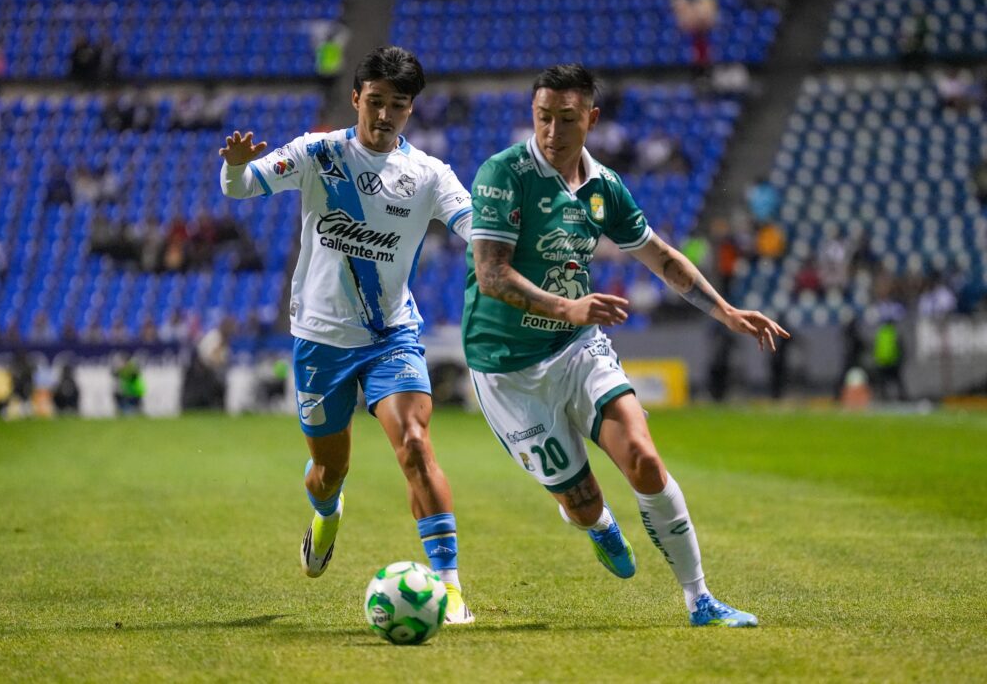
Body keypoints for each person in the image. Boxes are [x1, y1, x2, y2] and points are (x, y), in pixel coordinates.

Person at [462, 64, 789, 627]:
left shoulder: (604, 187)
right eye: (542, 118)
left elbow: (661, 256)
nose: (552, 133)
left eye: (567, 120)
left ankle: (700, 599)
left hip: (576, 347)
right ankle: (598, 524)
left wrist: (726, 311)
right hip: (505, 367)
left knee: (642, 456)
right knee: (582, 503)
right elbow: (491, 275)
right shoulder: (504, 174)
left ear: (591, 118)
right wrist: (568, 305)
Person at [218, 46, 475, 624]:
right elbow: (242, 187)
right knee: (329, 469)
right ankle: (327, 512)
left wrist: (498, 243)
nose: (384, 115)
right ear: (357, 98)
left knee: (414, 443)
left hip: (391, 334)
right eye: (375, 102)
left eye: (398, 106)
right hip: (320, 338)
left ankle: (450, 588)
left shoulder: (429, 175)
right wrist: (235, 165)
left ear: (411, 110)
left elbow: (472, 225)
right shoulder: (318, 153)